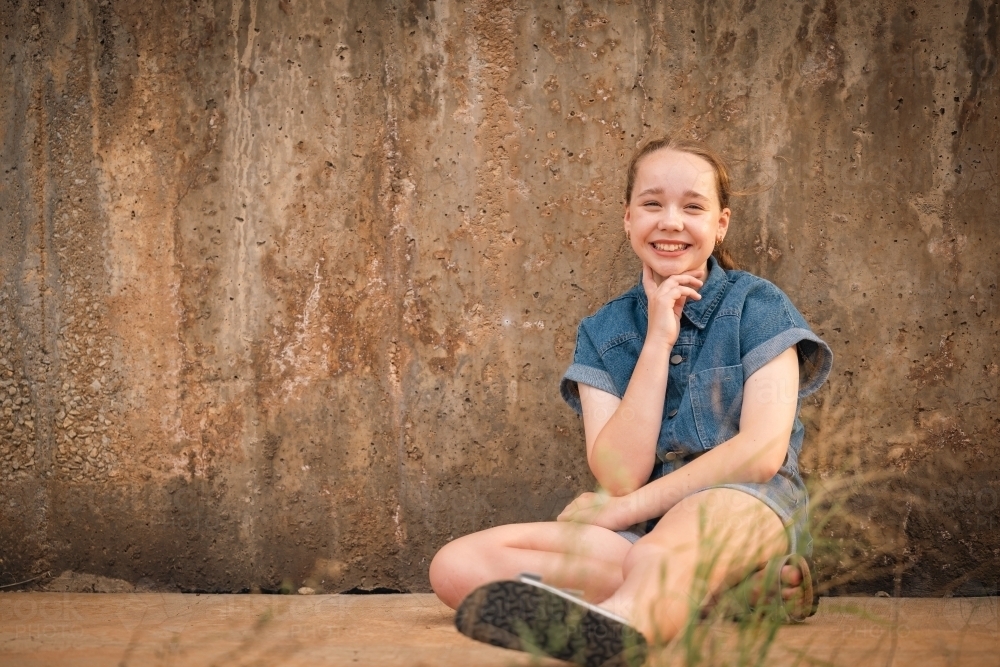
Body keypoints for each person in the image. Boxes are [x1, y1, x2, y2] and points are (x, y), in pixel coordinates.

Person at [428, 136, 833, 666]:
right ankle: (724, 597)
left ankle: (622, 631)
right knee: (457, 565)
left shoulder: (757, 306)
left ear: (721, 224)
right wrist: (658, 340)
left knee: (661, 553)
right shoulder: (604, 331)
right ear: (627, 219)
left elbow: (760, 453)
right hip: (641, 531)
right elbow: (621, 471)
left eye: (692, 206)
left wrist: (619, 511)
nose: (670, 221)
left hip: (745, 502)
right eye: (652, 204)